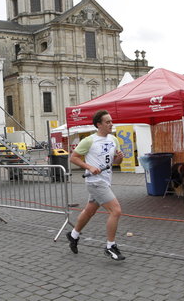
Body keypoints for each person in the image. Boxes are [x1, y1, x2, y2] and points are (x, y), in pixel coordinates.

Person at [66, 110, 125, 260]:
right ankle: (110, 246)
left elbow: (116, 163)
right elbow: (73, 158)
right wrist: (89, 167)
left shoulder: (113, 139)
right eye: (107, 122)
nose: (111, 124)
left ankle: (73, 235)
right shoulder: (89, 140)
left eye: (111, 121)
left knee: (89, 211)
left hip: (106, 180)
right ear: (99, 124)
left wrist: (119, 158)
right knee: (116, 211)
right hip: (95, 182)